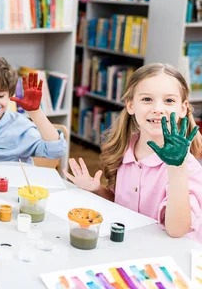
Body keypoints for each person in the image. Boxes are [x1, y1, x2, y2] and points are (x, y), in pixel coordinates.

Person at [64, 63, 202, 242]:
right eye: (147, 99)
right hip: (133, 247)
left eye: (169, 101)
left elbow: (177, 230)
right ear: (130, 105)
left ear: (183, 108)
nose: (158, 108)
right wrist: (97, 190)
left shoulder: (187, 166)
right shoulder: (125, 149)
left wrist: (177, 168)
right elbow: (123, 205)